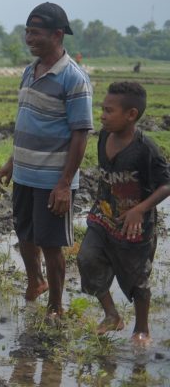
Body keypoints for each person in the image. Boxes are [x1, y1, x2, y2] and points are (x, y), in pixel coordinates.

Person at [0, 2, 93, 321]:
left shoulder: (73, 78)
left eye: (35, 32)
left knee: (51, 245)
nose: (29, 38)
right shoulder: (29, 71)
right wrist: (11, 162)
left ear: (57, 34)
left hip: (53, 179)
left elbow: (80, 134)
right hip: (24, 172)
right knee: (24, 234)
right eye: (27, 31)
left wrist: (64, 183)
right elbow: (28, 121)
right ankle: (35, 282)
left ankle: (56, 306)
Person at [76, 81, 170, 345]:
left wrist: (140, 209)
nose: (102, 116)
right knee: (86, 259)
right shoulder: (104, 136)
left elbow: (166, 184)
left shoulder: (145, 149)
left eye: (109, 110)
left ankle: (142, 329)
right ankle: (111, 315)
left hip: (134, 226)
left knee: (138, 277)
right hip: (102, 216)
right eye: (102, 109)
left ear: (131, 115)